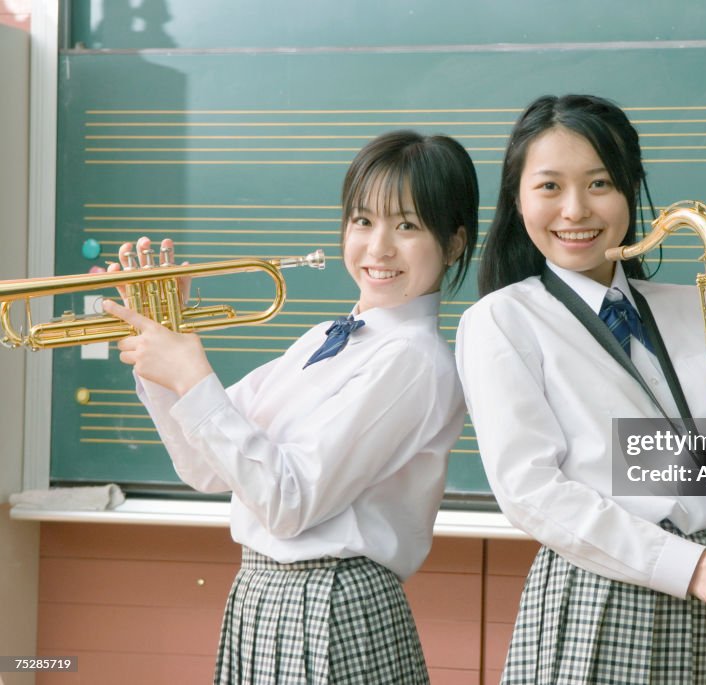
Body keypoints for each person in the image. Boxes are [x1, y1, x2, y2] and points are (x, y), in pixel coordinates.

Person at [103, 130, 479, 684]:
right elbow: (206, 468)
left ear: (453, 244)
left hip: (330, 602)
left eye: (407, 226)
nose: (378, 248)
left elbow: (289, 502)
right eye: (363, 221)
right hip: (264, 594)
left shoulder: (414, 360)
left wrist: (190, 374)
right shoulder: (325, 337)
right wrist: (160, 361)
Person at [455, 95, 706, 684]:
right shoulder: (502, 320)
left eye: (600, 183)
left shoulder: (696, 308)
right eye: (550, 186)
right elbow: (531, 490)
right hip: (608, 595)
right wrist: (687, 566)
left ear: (630, 191)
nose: (575, 210)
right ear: (517, 198)